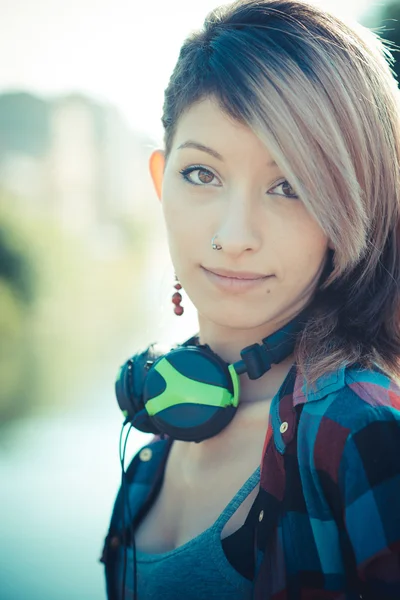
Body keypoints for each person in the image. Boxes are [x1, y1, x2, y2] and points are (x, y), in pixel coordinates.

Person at [100, 0, 400, 598]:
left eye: (289, 186)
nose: (233, 237)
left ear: (352, 207)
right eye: (201, 175)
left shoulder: (364, 435)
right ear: (161, 183)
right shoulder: (152, 445)